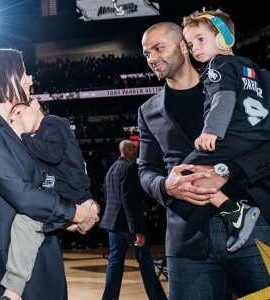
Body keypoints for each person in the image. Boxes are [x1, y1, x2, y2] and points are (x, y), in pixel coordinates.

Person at [139, 22, 270, 299]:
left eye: (158, 48)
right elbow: (146, 170)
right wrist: (165, 186)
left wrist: (227, 171)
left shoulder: (229, 85)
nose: (151, 58)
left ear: (184, 48)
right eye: (146, 53)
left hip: (255, 225)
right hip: (187, 238)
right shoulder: (147, 110)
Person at [0, 48, 99, 300]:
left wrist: (75, 209)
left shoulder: (18, 129)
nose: (30, 79)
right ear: (2, 78)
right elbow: (23, 194)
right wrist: (78, 212)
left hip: (44, 244)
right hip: (9, 255)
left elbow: (48, 182)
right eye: (23, 73)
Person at [181, 8, 270, 252]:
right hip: (259, 138)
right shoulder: (255, 69)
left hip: (233, 136)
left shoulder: (217, 64)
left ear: (224, 37)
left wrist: (212, 130)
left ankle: (236, 212)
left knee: (185, 174)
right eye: (190, 44)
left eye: (200, 39)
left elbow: (223, 97)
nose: (195, 48)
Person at [0, 99, 98, 300]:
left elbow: (54, 154)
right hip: (62, 197)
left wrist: (22, 137)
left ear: (35, 105)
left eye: (18, 113)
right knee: (29, 228)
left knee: (24, 223)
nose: (15, 120)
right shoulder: (35, 138)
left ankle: (13, 292)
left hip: (70, 195)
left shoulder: (53, 122)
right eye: (11, 119)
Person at [100, 140, 167, 300]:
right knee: (146, 265)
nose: (136, 154)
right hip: (128, 225)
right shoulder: (129, 168)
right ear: (129, 150)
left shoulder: (111, 169)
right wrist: (138, 230)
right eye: (135, 150)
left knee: (115, 265)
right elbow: (129, 201)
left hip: (112, 224)